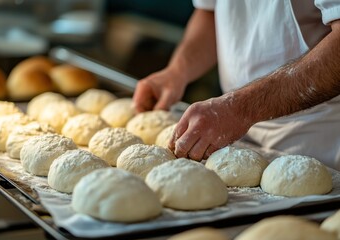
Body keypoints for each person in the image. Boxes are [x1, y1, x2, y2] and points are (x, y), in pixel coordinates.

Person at [133, 1, 340, 170]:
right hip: (234, 136)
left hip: (319, 145)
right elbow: (211, 12)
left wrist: (241, 109)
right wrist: (177, 72)